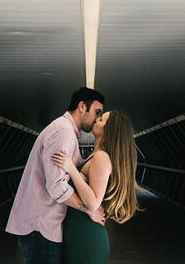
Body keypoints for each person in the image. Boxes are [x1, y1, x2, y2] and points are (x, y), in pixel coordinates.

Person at [6, 87, 107, 264]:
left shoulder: (65, 131)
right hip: (41, 226)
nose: (97, 119)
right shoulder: (63, 132)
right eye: (97, 112)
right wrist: (88, 209)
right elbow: (56, 186)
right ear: (82, 106)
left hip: (45, 226)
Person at [50, 111, 140, 264]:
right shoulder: (97, 154)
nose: (96, 119)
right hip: (79, 231)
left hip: (86, 236)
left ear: (110, 129)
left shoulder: (102, 157)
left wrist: (71, 168)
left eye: (102, 119)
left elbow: (93, 203)